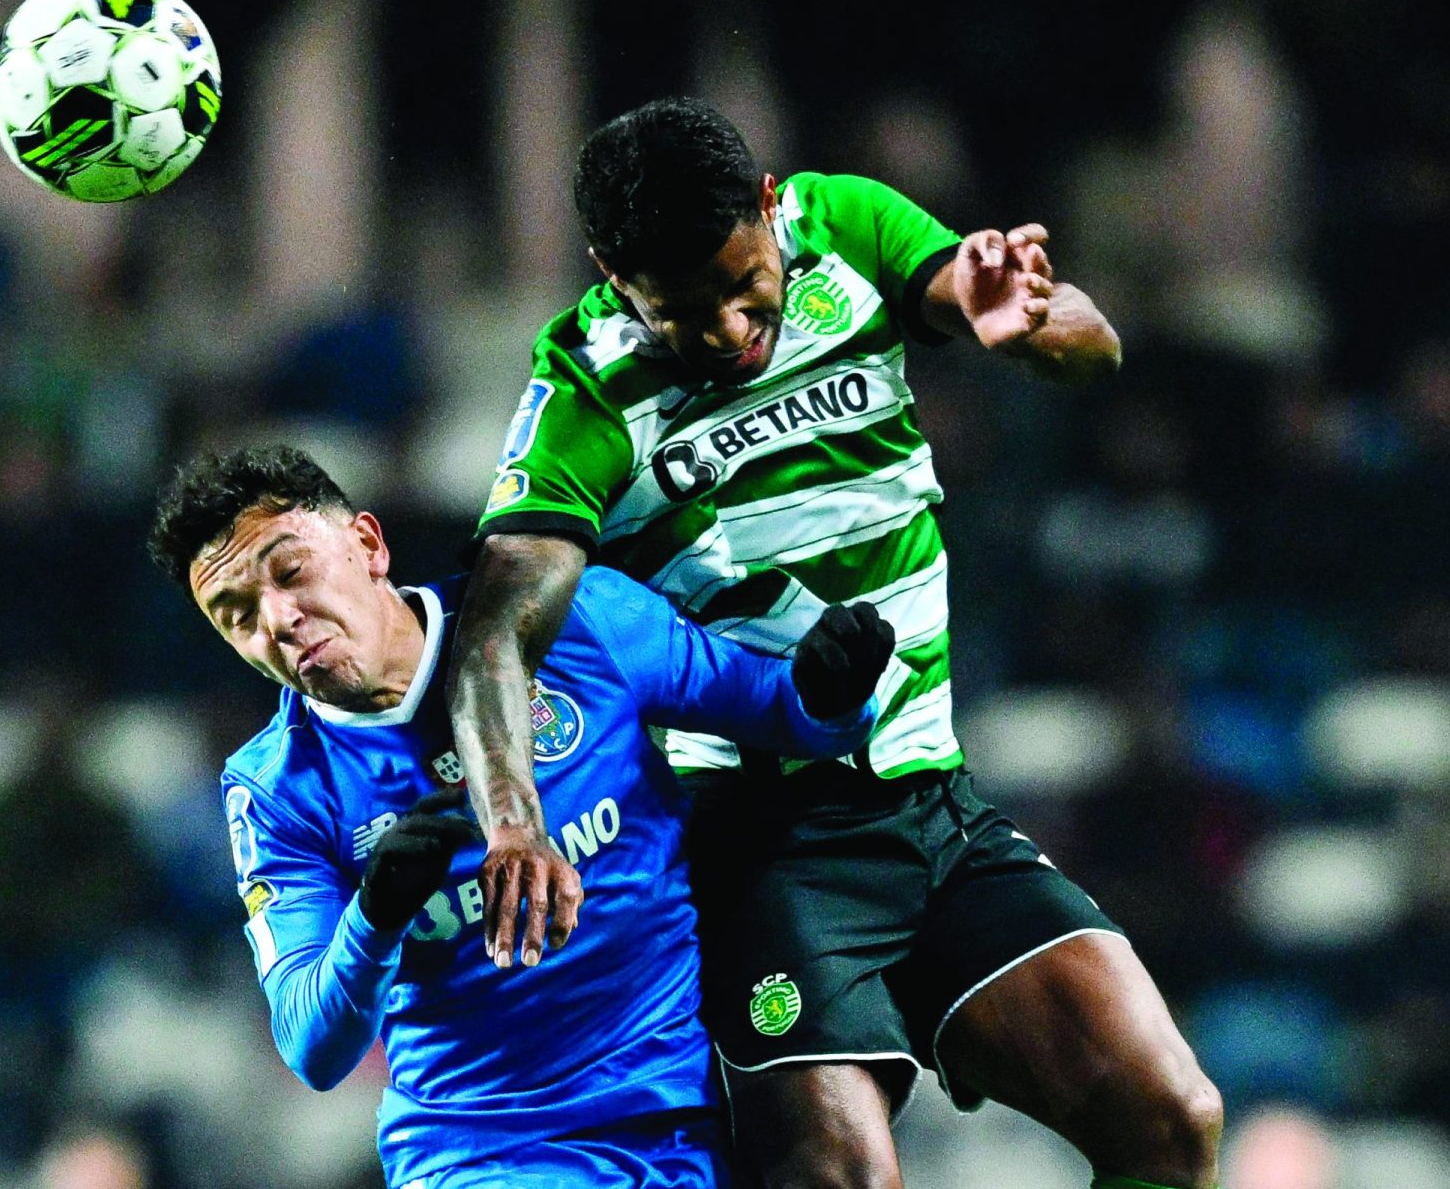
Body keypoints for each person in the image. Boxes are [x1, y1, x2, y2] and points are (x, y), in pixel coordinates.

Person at [448, 98, 1224, 1189]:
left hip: (934, 810)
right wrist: (513, 820)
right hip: (763, 852)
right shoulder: (583, 387)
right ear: (612, 274)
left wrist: (1030, 323)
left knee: (1171, 1118)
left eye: (740, 281)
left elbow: (1084, 345)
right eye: (678, 309)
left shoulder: (849, 227)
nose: (723, 328)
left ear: (769, 210)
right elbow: (492, 632)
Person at [145, 445, 894, 1189]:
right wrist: (376, 915)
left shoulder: (570, 619)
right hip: (485, 1152)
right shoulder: (277, 788)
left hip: (684, 1109)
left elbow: (775, 706)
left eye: (290, 571)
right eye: (236, 615)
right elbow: (311, 1043)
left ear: (368, 545)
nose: (277, 619)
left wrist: (833, 691)